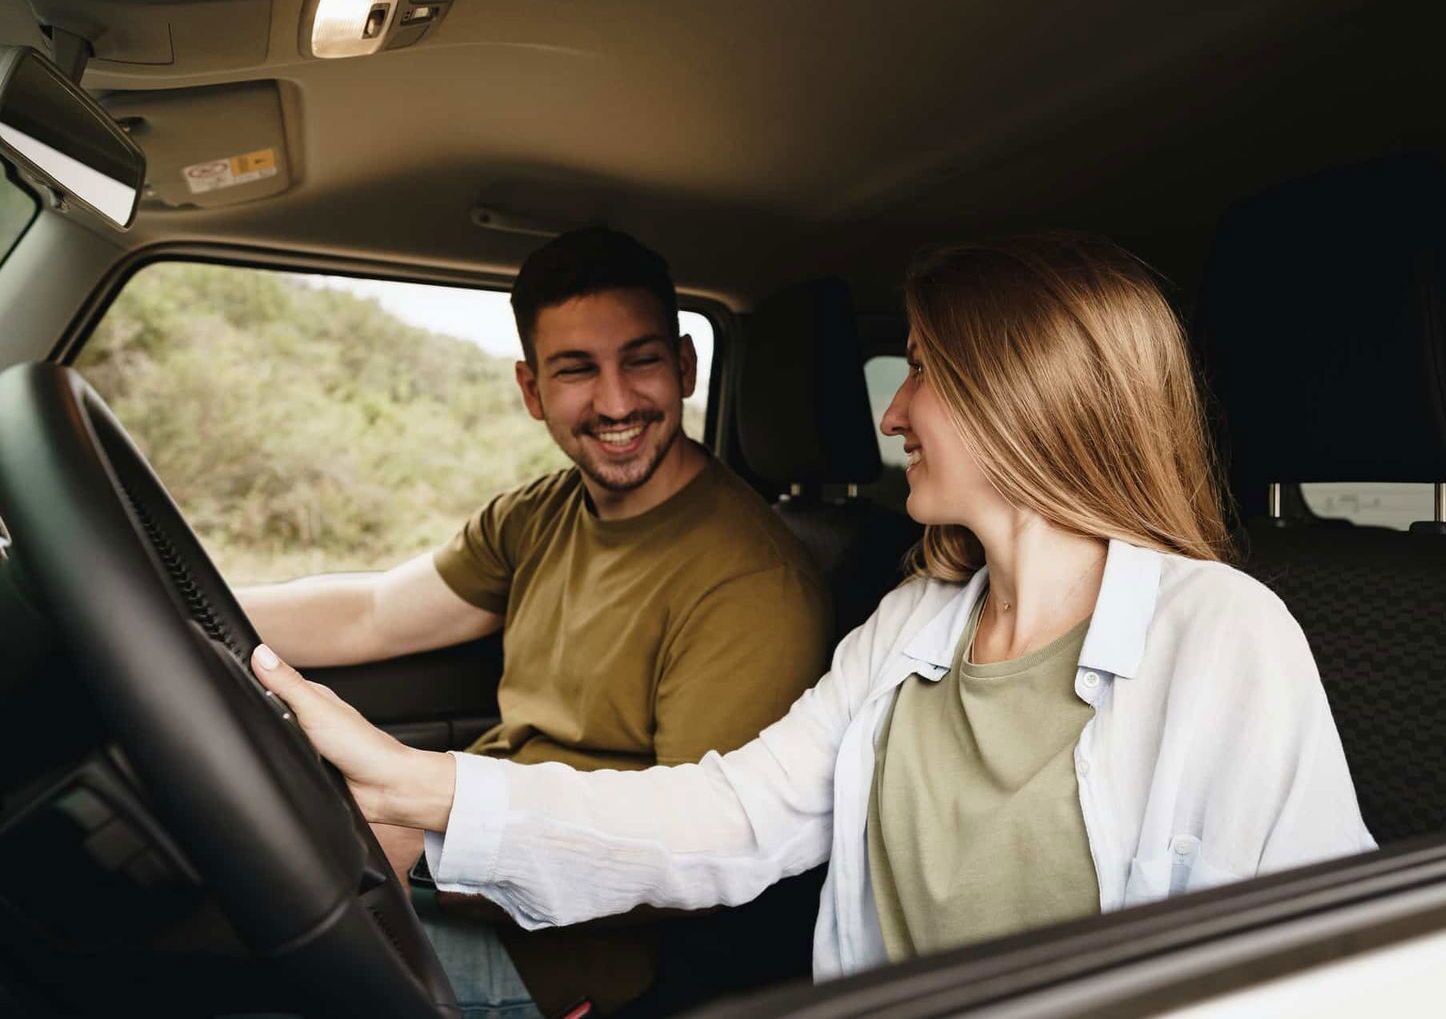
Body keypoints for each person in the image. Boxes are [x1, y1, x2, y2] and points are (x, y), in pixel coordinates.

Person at [252, 231, 1375, 984]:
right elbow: (732, 817)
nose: (896, 417)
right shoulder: (918, 617)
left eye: (924, 371)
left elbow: (1306, 974)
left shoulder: (1221, 636)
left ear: (1024, 398)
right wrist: (422, 785)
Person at [238, 227, 832, 1015]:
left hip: (568, 959)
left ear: (685, 366)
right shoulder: (543, 511)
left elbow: (699, 865)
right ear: (531, 390)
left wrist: (434, 857)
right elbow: (373, 613)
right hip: (457, 860)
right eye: (578, 370)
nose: (616, 402)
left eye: (642, 360)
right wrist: (179, 599)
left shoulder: (751, 583)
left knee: (240, 975)